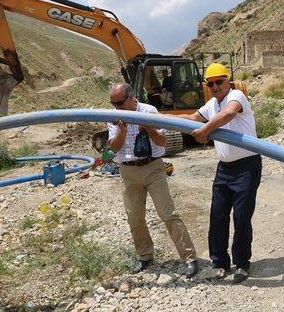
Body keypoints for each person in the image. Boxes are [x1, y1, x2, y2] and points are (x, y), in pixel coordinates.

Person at [177, 63, 262, 283]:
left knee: (241, 217)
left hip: (246, 166)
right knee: (217, 215)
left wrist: (205, 131)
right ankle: (219, 262)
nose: (215, 86)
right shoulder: (212, 104)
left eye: (219, 81)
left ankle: (242, 263)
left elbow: (228, 114)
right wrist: (159, 119)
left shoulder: (236, 96)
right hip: (224, 168)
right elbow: (193, 118)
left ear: (228, 80)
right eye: (210, 83)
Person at [107, 83, 199, 278]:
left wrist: (148, 129)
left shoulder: (149, 111)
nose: (116, 107)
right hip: (128, 172)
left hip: (153, 168)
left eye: (120, 103)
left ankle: (189, 258)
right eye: (113, 103)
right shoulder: (113, 117)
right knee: (135, 217)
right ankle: (145, 256)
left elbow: (163, 143)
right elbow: (113, 148)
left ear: (131, 98)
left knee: (168, 214)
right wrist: (122, 131)